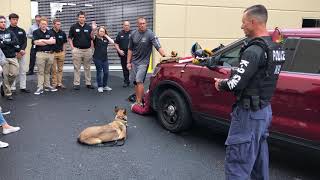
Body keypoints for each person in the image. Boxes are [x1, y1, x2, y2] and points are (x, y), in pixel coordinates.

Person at [214, 5, 286, 180]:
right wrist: (235, 72)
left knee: (237, 165)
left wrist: (221, 84)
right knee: (257, 164)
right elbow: (260, 75)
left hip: (248, 114)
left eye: (244, 23)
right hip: (264, 111)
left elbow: (235, 84)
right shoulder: (275, 47)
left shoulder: (254, 50)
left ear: (253, 22)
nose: (242, 26)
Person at [127, 17, 166, 105]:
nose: (142, 25)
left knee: (139, 81)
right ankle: (137, 100)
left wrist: (164, 56)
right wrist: (128, 62)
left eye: (143, 23)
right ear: (137, 25)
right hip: (134, 62)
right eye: (140, 24)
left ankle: (139, 102)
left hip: (143, 62)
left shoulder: (150, 34)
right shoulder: (133, 34)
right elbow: (130, 49)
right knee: (135, 83)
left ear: (146, 24)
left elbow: (158, 46)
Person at [68, 11, 94, 90]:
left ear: (85, 18)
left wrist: (91, 48)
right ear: (77, 18)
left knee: (87, 67)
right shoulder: (73, 27)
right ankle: (76, 83)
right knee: (77, 68)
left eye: (83, 17)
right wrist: (72, 48)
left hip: (87, 50)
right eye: (80, 17)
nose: (82, 18)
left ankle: (88, 83)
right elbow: (69, 38)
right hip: (77, 50)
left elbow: (92, 38)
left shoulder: (89, 27)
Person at [33, 17, 57, 95]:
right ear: (39, 24)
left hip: (50, 54)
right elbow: (36, 43)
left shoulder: (50, 32)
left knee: (47, 71)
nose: (44, 25)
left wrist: (42, 40)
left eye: (45, 24)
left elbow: (53, 41)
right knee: (40, 71)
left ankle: (47, 86)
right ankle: (40, 87)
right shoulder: (36, 32)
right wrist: (48, 41)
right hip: (40, 54)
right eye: (42, 24)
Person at [8, 13, 30, 93]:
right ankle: (12, 87)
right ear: (10, 20)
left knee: (23, 70)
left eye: (16, 19)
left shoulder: (21, 30)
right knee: (13, 72)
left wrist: (22, 50)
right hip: (12, 54)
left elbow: (25, 41)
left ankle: (23, 87)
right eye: (13, 19)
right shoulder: (7, 31)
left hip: (22, 53)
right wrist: (17, 51)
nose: (15, 21)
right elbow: (8, 43)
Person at [0, 15, 20, 100]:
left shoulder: (10, 31)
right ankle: (8, 93)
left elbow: (16, 41)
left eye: (4, 22)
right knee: (5, 75)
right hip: (3, 57)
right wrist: (9, 43)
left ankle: (3, 86)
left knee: (14, 74)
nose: (3, 23)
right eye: (1, 22)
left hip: (12, 56)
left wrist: (5, 43)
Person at [93, 26, 114, 93]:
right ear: (98, 32)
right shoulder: (95, 38)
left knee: (106, 72)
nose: (102, 32)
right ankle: (100, 86)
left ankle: (105, 86)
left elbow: (112, 42)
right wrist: (94, 29)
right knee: (99, 72)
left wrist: (106, 35)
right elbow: (91, 35)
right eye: (101, 31)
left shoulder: (105, 38)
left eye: (103, 31)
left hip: (105, 58)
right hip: (97, 58)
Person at [51, 18, 67, 89]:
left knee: (60, 69)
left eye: (59, 24)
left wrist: (64, 51)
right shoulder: (49, 32)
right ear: (53, 25)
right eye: (57, 24)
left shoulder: (62, 33)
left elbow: (64, 43)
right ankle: (54, 84)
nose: (59, 26)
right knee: (54, 70)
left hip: (61, 53)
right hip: (52, 53)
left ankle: (59, 83)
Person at [115, 21, 131, 87]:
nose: (126, 26)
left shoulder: (133, 33)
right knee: (125, 68)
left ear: (129, 26)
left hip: (132, 54)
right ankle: (126, 81)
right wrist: (119, 50)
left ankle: (136, 81)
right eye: (125, 25)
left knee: (133, 68)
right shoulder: (120, 33)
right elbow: (116, 43)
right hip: (123, 54)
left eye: (127, 25)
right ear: (123, 26)